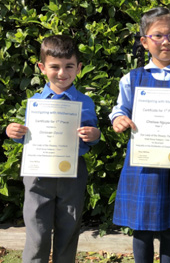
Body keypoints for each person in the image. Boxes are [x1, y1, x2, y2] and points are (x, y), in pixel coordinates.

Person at [109, 7, 170, 263]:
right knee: (141, 227)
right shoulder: (132, 78)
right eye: (158, 35)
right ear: (144, 41)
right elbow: (120, 109)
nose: (166, 41)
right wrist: (118, 119)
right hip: (141, 163)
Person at [6, 35, 100, 263]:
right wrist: (14, 133)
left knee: (69, 229)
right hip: (38, 174)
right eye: (54, 67)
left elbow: (93, 136)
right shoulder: (36, 103)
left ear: (79, 67)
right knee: (37, 231)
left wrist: (94, 135)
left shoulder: (86, 102)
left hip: (73, 173)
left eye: (69, 66)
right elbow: (30, 139)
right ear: (42, 67)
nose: (62, 73)